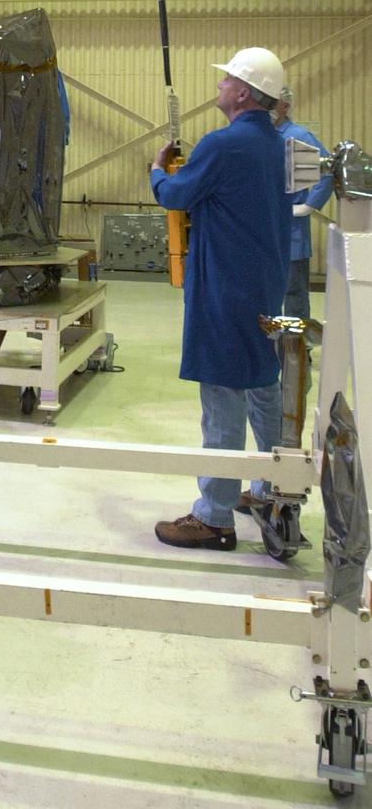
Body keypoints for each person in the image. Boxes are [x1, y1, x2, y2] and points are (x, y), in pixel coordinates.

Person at [149, 48, 291, 550]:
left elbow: (175, 196)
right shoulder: (285, 146)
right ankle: (271, 487)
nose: (221, 85)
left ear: (244, 93)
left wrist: (158, 171)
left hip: (223, 288)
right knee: (264, 385)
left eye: (227, 79)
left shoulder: (222, 145)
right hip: (268, 282)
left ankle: (215, 516)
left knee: (223, 395)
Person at [272, 86, 333, 321]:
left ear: (285, 106)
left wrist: (309, 205)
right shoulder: (258, 137)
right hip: (262, 225)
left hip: (291, 227)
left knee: (293, 291)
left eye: (272, 101)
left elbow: (327, 171)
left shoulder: (298, 136)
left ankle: (297, 349)